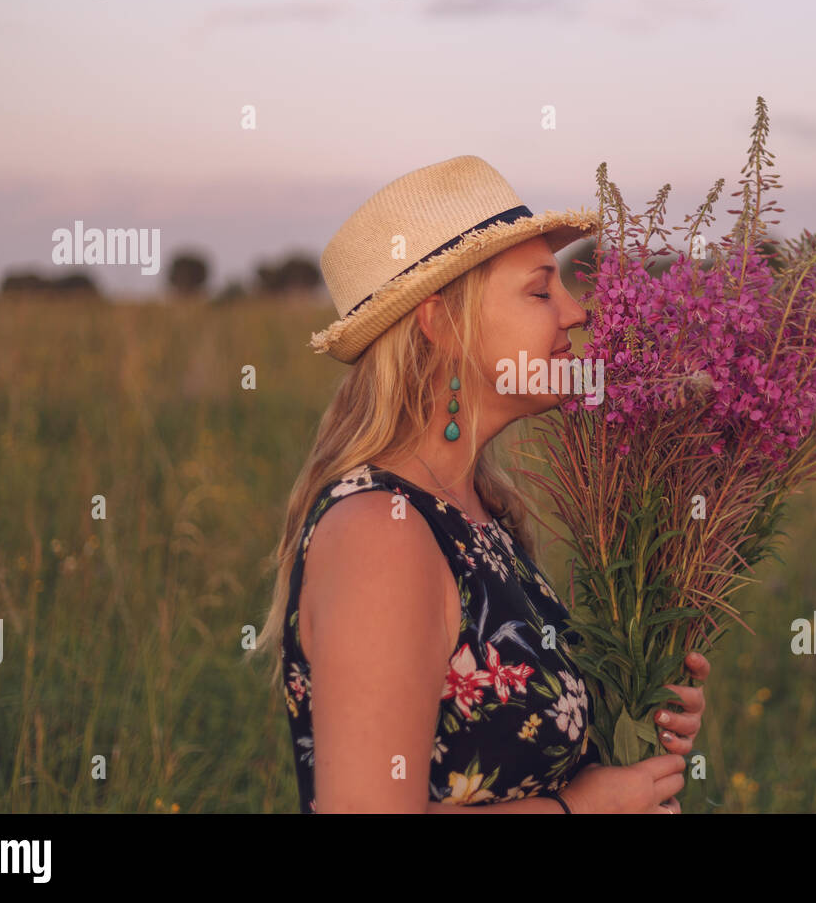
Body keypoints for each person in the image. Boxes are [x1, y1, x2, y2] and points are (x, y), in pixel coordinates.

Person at [256, 155, 711, 813]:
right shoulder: (381, 537)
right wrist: (581, 810)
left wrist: (640, 705)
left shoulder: (475, 517)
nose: (577, 313)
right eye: (539, 290)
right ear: (440, 324)